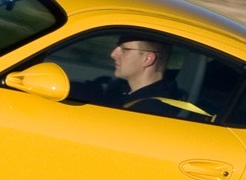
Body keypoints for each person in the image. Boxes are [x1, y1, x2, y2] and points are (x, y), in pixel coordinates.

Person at [76, 36, 211, 118]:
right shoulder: (126, 90)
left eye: (125, 49)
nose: (113, 54)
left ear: (147, 59)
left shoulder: (149, 111)